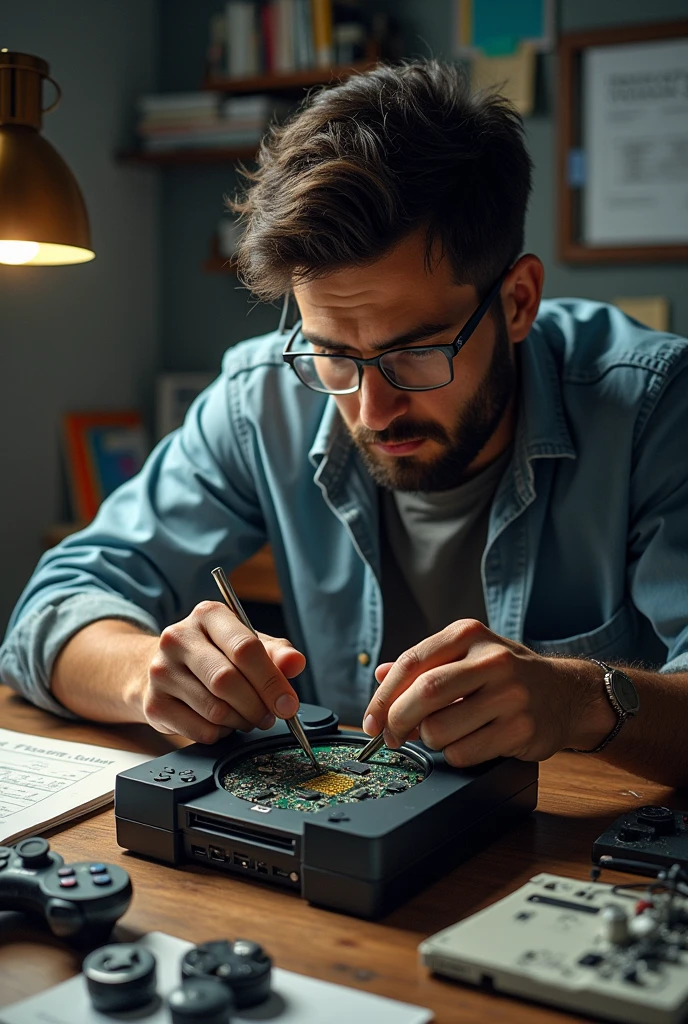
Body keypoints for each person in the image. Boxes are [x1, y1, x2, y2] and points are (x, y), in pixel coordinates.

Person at [2, 61, 687, 787]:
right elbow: (51, 610)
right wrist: (149, 672)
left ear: (517, 302)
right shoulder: (260, 397)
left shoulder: (652, 408)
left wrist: (583, 702)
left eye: (415, 354)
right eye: (332, 353)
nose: (370, 408)